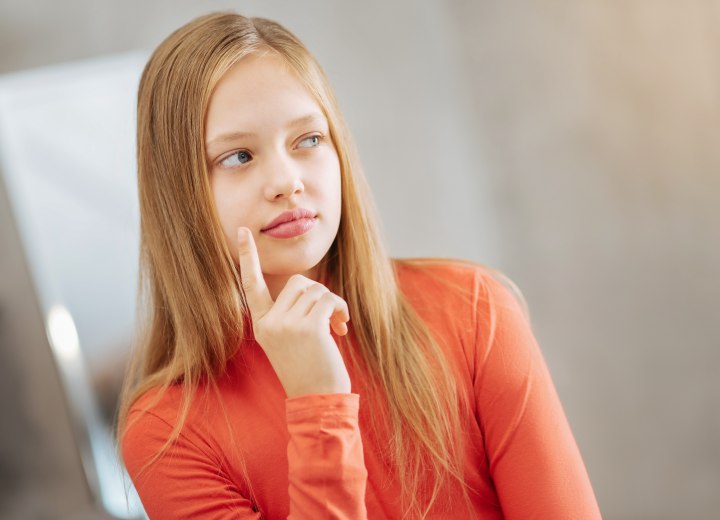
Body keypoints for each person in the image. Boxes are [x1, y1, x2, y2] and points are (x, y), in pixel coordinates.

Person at [117, 11, 602, 520]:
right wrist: (317, 406)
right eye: (238, 156)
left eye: (308, 139)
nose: (286, 180)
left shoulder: (473, 309)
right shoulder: (165, 433)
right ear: (180, 193)